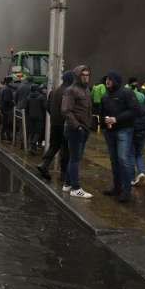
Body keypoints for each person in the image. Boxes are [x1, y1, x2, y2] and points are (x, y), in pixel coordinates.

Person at [100, 71, 140, 202]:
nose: (107, 82)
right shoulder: (105, 96)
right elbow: (102, 111)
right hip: (110, 131)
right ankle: (117, 187)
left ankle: (126, 190)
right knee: (114, 160)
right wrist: (104, 122)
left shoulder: (126, 93)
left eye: (110, 80)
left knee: (123, 159)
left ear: (116, 80)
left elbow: (135, 110)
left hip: (124, 130)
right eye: (107, 79)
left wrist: (116, 119)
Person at [61, 64, 94, 198]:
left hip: (83, 129)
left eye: (87, 75)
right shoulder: (71, 90)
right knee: (75, 159)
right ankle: (75, 188)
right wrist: (77, 126)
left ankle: (68, 184)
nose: (86, 77)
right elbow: (65, 110)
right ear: (77, 76)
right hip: (75, 129)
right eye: (83, 75)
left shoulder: (86, 90)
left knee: (75, 158)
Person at [38, 70, 71, 180]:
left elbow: (47, 106)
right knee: (65, 149)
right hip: (65, 124)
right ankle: (64, 173)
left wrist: (53, 116)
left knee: (54, 146)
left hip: (55, 123)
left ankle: (44, 164)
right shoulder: (69, 92)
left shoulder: (54, 91)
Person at [26, 84, 47, 153]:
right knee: (38, 132)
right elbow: (45, 107)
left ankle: (33, 148)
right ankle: (33, 142)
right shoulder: (41, 97)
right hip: (39, 117)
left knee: (32, 132)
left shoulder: (28, 97)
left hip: (30, 117)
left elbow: (26, 108)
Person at [0, 77, 15, 141]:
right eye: (12, 81)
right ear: (10, 82)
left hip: (3, 108)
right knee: (6, 123)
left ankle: (7, 136)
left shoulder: (4, 88)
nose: (13, 83)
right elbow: (7, 100)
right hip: (6, 109)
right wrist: (12, 103)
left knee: (5, 123)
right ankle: (4, 136)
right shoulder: (7, 89)